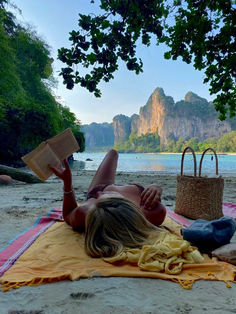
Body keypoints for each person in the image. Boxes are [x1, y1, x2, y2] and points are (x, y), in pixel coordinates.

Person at [49, 149, 166, 258]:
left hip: (98, 187)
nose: (100, 194)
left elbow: (68, 214)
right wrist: (155, 188)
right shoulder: (150, 214)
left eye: (99, 199)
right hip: (130, 207)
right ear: (127, 204)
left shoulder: (84, 213)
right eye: (109, 196)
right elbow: (156, 198)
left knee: (113, 153)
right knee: (113, 153)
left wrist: (67, 183)